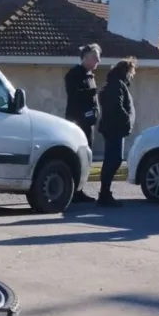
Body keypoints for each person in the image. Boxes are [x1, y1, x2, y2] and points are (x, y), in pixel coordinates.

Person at [95, 57, 137, 208]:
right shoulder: (116, 85)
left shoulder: (115, 84)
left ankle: (105, 193)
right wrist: (126, 122)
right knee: (114, 160)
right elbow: (117, 107)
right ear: (126, 71)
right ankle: (104, 194)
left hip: (114, 128)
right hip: (115, 129)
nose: (131, 76)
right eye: (131, 73)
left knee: (112, 160)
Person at [65, 43, 102, 202]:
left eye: (98, 58)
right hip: (76, 123)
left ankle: (80, 190)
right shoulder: (73, 74)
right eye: (95, 57)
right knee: (76, 155)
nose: (98, 61)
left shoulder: (91, 76)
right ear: (85, 58)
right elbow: (75, 95)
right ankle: (72, 190)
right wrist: (91, 93)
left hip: (89, 124)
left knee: (86, 157)